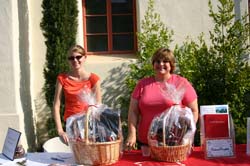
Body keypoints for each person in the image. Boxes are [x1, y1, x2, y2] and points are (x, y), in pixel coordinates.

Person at [126, 47, 199, 149]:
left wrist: (187, 134)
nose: (161, 64)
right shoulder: (143, 84)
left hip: (174, 143)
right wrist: (132, 134)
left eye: (165, 61)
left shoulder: (181, 83)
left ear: (171, 64)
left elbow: (194, 111)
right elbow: (133, 111)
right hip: (146, 143)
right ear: (153, 64)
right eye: (157, 61)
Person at [53, 44, 102, 145]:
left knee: (89, 156)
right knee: (75, 156)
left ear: (85, 58)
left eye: (78, 57)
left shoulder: (93, 79)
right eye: (71, 58)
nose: (75, 60)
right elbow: (56, 105)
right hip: (71, 124)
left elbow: (98, 106)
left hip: (88, 125)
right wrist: (60, 130)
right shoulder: (62, 79)